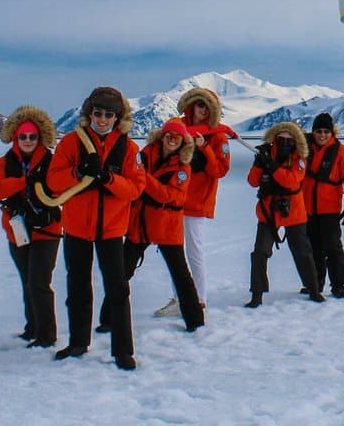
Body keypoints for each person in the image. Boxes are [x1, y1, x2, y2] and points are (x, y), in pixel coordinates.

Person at [45, 86, 143, 370]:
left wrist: (108, 179)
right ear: (89, 113)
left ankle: (122, 350)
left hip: (111, 230)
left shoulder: (128, 149)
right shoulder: (71, 143)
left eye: (108, 115)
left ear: (117, 117)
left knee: (117, 290)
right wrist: (77, 173)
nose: (102, 120)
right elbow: (53, 181)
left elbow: (135, 188)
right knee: (77, 287)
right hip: (77, 228)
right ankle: (78, 342)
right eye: (98, 113)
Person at [117, 117, 205, 332]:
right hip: (141, 223)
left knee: (180, 274)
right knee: (121, 272)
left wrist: (144, 179)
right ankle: (110, 318)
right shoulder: (145, 155)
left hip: (167, 225)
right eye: (169, 135)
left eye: (177, 137)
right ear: (162, 136)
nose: (172, 140)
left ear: (182, 141)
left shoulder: (183, 167)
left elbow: (170, 196)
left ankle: (195, 321)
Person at [154, 87, 233, 317]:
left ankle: (199, 300)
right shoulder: (177, 126)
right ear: (192, 105)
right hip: (173, 198)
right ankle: (179, 297)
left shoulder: (218, 137)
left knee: (194, 251)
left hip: (197, 203)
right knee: (174, 252)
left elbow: (220, 170)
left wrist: (204, 149)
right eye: (200, 105)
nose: (203, 110)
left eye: (208, 107)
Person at [0, 105, 62, 347]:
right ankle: (32, 328)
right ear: (15, 137)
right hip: (17, 230)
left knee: (39, 282)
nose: (28, 141)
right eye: (23, 136)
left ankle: (46, 335)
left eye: (32, 136)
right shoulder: (5, 161)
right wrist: (26, 181)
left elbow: (60, 187)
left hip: (46, 230)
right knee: (28, 281)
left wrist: (24, 184)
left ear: (40, 137)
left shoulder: (52, 161)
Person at [244, 121, 323, 308]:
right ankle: (257, 294)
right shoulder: (265, 155)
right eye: (281, 139)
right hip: (268, 212)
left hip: (294, 211)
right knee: (260, 252)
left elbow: (292, 181)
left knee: (303, 251)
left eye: (289, 140)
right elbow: (253, 181)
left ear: (296, 141)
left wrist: (271, 165)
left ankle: (313, 289)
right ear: (275, 139)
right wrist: (258, 163)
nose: (285, 143)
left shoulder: (300, 158)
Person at [301, 112, 344, 299]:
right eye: (318, 131)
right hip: (307, 208)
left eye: (326, 131)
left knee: (333, 248)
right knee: (313, 248)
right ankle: (315, 283)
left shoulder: (342, 153)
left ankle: (339, 285)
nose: (322, 135)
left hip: (330, 209)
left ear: (332, 133)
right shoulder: (303, 149)